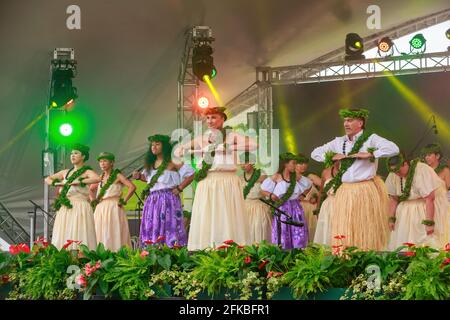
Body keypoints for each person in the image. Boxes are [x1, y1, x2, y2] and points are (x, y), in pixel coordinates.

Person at [311, 108, 399, 251]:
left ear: (360, 122)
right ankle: (346, 257)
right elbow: (315, 153)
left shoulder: (371, 139)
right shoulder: (339, 142)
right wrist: (331, 156)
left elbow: (393, 148)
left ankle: (367, 254)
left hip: (365, 190)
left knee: (365, 226)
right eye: (345, 120)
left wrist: (370, 154)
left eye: (350, 120)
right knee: (345, 227)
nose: (346, 123)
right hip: (345, 191)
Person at [174, 106, 256, 250]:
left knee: (227, 216)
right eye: (208, 118)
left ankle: (231, 247)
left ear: (222, 119)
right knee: (208, 216)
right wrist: (188, 149)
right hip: (208, 182)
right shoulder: (202, 139)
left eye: (214, 117)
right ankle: (206, 248)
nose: (210, 121)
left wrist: (229, 148)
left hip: (227, 181)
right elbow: (178, 151)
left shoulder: (231, 136)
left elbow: (255, 145)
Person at [133, 134, 194, 248]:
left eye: (157, 144)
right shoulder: (150, 164)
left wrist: (179, 188)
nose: (154, 147)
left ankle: (171, 251)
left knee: (168, 226)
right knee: (153, 227)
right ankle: (152, 252)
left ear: (165, 146)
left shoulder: (173, 161)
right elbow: (150, 180)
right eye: (152, 145)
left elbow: (191, 174)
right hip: (152, 200)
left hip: (168, 199)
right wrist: (138, 176)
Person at [386, 153, 449, 250]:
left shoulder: (422, 170)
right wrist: (391, 218)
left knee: (423, 242)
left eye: (398, 170)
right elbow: (394, 199)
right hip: (404, 212)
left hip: (422, 209)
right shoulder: (393, 174)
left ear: (405, 164)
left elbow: (430, 198)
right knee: (403, 243)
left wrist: (429, 223)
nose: (397, 173)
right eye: (394, 171)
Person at [44, 143, 100, 250]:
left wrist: (79, 181)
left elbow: (97, 178)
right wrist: (57, 184)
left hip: (80, 206)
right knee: (65, 232)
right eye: (71, 153)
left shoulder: (87, 171)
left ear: (83, 156)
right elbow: (47, 179)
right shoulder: (65, 172)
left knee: (80, 231)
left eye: (76, 153)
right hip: (66, 206)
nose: (72, 155)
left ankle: (81, 257)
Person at [260, 152, 311, 249]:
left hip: (295, 208)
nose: (295, 166)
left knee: (297, 232)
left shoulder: (296, 176)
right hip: (282, 208)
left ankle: (298, 254)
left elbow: (309, 185)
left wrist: (303, 195)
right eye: (293, 163)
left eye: (296, 163)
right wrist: (271, 195)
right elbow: (262, 190)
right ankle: (283, 254)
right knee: (283, 232)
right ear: (285, 164)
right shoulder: (277, 176)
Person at [90, 152, 134, 251]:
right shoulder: (100, 177)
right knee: (100, 231)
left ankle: (116, 254)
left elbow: (132, 187)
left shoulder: (117, 175)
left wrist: (124, 201)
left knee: (113, 231)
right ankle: (101, 255)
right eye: (100, 162)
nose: (102, 163)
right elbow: (91, 189)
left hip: (114, 206)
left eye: (105, 161)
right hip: (101, 207)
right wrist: (93, 200)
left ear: (112, 162)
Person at [239, 152, 271, 244]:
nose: (242, 165)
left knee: (258, 228)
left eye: (245, 162)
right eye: (241, 162)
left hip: (258, 207)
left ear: (252, 162)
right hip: (244, 207)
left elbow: (266, 187)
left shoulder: (261, 174)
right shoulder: (240, 177)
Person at [313, 161, 340, 246]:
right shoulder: (326, 172)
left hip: (341, 202)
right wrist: (318, 208)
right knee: (327, 227)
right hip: (328, 204)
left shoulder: (347, 172)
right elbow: (321, 192)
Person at [296, 153, 320, 242]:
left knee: (311, 233)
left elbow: (326, 188)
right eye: (300, 163)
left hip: (310, 208)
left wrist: (316, 197)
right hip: (297, 208)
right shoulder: (289, 178)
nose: (303, 165)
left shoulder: (310, 176)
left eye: (305, 163)